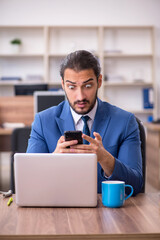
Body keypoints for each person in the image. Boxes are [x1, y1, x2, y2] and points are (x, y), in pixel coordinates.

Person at [27, 50, 143, 195]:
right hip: (59, 208)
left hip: (108, 212)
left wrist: (105, 158)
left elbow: (136, 184)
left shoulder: (125, 122)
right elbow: (29, 182)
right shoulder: (43, 122)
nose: (80, 96)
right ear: (62, 84)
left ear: (99, 82)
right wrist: (54, 160)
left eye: (87, 86)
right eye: (72, 87)